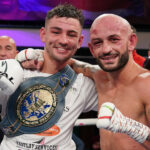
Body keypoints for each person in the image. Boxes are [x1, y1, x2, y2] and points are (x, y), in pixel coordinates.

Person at [0, 4, 97, 150]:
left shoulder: (84, 83)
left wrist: (74, 63)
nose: (63, 40)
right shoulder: (15, 71)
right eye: (56, 32)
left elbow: (121, 86)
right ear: (43, 34)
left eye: (71, 34)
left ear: (80, 41)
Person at [69, 14, 150, 150]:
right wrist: (35, 56)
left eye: (114, 39)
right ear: (92, 49)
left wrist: (132, 128)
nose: (106, 49)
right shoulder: (99, 76)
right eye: (98, 43)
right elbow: (71, 63)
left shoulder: (146, 85)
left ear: (131, 42)